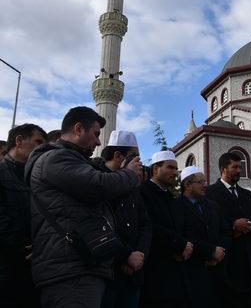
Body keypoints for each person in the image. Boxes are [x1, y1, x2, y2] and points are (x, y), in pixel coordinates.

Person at [25, 106, 141, 308]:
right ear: (78, 129)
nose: (98, 141)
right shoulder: (55, 159)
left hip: (80, 266)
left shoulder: (73, 161)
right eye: (96, 134)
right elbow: (100, 185)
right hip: (69, 271)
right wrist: (130, 174)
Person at [97, 130, 152, 308]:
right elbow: (100, 225)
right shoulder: (97, 181)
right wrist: (126, 256)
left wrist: (138, 255)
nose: (139, 162)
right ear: (119, 156)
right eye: (135, 157)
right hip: (108, 273)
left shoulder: (133, 187)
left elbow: (145, 224)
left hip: (134, 272)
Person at [0, 123, 46, 308]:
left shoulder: (37, 178)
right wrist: (24, 247)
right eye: (38, 142)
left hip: (34, 268)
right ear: (19, 141)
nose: (41, 148)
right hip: (8, 267)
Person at [205, 152, 251, 308]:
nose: (238, 171)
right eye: (234, 167)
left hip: (248, 259)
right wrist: (233, 225)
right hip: (227, 258)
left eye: (240, 167)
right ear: (223, 169)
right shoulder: (211, 192)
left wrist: (248, 224)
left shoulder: (246, 194)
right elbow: (212, 220)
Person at [172, 165, 229, 308]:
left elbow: (225, 231)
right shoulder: (176, 206)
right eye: (201, 182)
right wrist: (210, 252)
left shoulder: (213, 206)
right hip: (193, 273)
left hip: (218, 271)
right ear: (187, 184)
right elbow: (182, 236)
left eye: (205, 181)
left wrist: (220, 252)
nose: (206, 185)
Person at [140, 150, 190, 308]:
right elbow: (150, 226)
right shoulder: (143, 192)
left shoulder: (169, 197)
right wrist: (180, 244)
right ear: (156, 169)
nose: (175, 173)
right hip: (155, 274)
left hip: (174, 271)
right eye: (170, 167)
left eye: (176, 169)